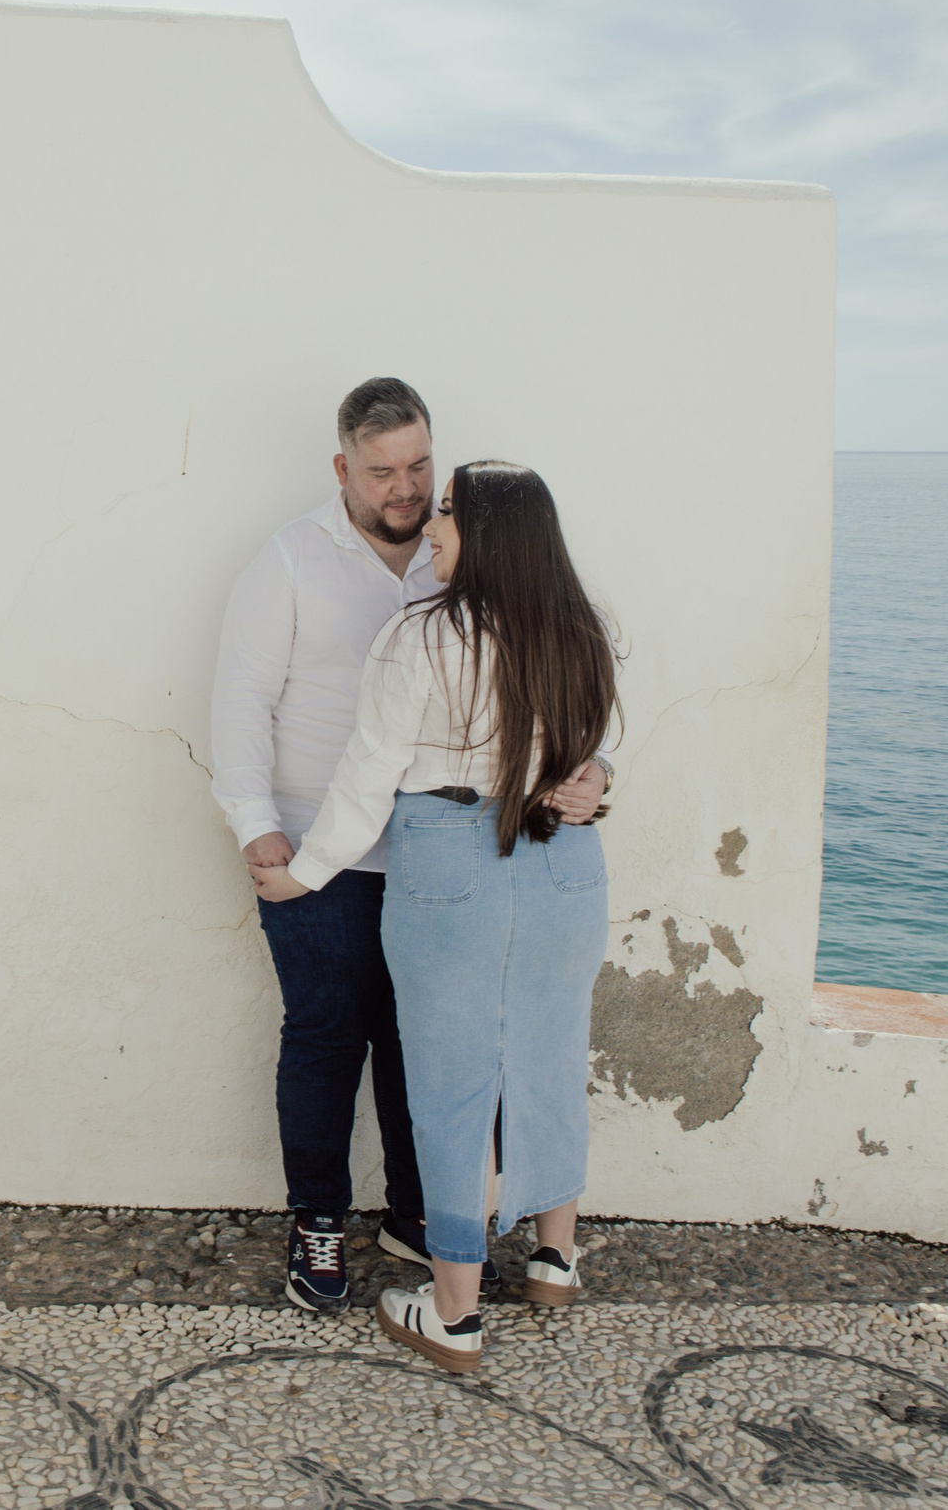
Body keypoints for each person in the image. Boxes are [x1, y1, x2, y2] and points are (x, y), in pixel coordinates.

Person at [212, 385, 607, 1312]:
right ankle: (318, 1227)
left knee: (425, 1050)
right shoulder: (291, 560)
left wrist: (592, 774)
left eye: (420, 467)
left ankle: (419, 1214)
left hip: (448, 861)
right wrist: (260, 827)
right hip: (324, 849)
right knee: (323, 1038)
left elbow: (541, 698)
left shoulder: (467, 555)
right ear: (344, 468)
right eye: (383, 471)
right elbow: (240, 705)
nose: (407, 489)